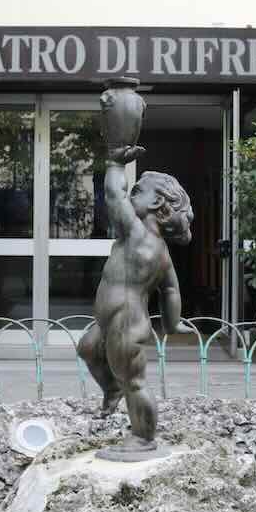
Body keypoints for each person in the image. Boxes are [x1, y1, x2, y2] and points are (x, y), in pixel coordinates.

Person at [77, 143, 195, 458]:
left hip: (126, 323)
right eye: (132, 192)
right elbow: (171, 291)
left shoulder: (137, 234)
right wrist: (172, 323)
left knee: (135, 382)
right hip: (110, 321)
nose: (130, 198)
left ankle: (144, 436)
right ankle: (112, 388)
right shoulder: (159, 249)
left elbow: (114, 197)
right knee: (87, 348)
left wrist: (115, 165)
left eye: (137, 192)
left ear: (156, 203)